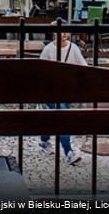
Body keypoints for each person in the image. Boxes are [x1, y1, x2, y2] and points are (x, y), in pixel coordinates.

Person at [39, 31, 88, 165]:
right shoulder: (48, 49)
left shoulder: (73, 48)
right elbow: (40, 71)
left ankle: (44, 141)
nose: (64, 34)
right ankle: (68, 152)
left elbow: (84, 68)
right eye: (61, 32)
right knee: (63, 116)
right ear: (54, 33)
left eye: (66, 32)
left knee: (55, 116)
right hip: (51, 91)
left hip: (67, 91)